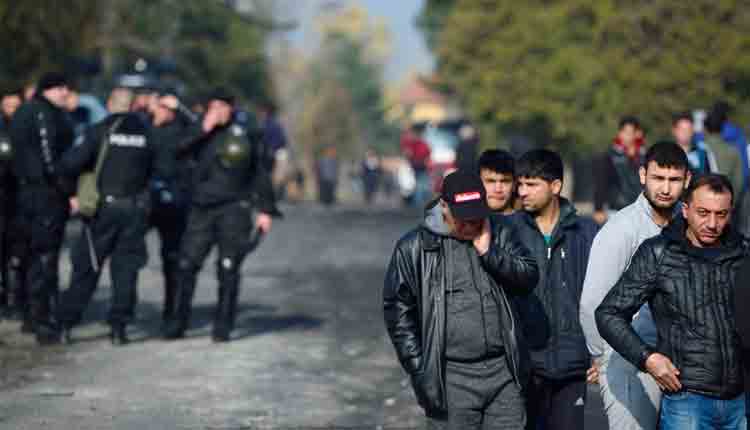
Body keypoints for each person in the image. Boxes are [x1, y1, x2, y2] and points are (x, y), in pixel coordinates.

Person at [383, 170, 539, 429]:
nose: (470, 226)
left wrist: (490, 252)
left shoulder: (499, 233)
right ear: (444, 206)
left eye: (477, 218)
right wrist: (420, 368)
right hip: (451, 380)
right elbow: (398, 312)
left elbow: (529, 277)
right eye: (463, 219)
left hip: (504, 375)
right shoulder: (414, 247)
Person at [596, 174, 748, 430]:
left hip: (741, 401)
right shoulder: (659, 253)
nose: (712, 223)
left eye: (721, 214)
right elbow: (609, 313)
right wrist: (648, 358)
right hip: (687, 402)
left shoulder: (743, 254)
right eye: (703, 212)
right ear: (686, 210)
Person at [580, 142, 691, 430]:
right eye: (658, 178)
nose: (665, 188)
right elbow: (593, 301)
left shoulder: (690, 224)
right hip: (629, 360)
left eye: (674, 180)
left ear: (687, 180)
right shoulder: (621, 229)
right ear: (643, 175)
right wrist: (600, 356)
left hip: (681, 360)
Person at [162, 89, 279, 342]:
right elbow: (176, 151)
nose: (219, 113)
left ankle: (223, 326)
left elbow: (259, 172)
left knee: (228, 267)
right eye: (214, 107)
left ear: (232, 109)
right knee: (186, 265)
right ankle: (177, 322)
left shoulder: (246, 133)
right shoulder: (199, 131)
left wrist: (266, 210)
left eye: (223, 107)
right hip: (201, 208)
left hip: (234, 208)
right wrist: (203, 128)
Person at [55, 87, 156, 345]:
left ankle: (66, 323)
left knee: (87, 267)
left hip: (102, 211)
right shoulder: (147, 133)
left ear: (110, 104)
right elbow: (159, 168)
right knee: (126, 271)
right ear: (133, 105)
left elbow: (69, 164)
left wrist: (72, 193)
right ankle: (119, 328)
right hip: (134, 209)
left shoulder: (99, 130)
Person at [506, 149, 598, 429]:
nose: (522, 192)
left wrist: (600, 351)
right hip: (524, 367)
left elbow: (602, 295)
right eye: (520, 184)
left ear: (556, 186)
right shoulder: (508, 231)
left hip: (572, 365)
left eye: (531, 184)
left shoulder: (586, 232)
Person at [9, 72, 75, 344]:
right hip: (45, 194)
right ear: (50, 90)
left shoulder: (24, 111)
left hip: (25, 193)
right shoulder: (44, 114)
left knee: (29, 254)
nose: (65, 93)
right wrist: (66, 191)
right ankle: (44, 321)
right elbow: (49, 157)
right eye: (61, 88)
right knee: (45, 257)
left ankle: (29, 314)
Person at [147, 92, 195, 323]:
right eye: (159, 106)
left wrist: (181, 108)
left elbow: (203, 129)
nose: (162, 111)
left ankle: (172, 311)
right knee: (126, 255)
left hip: (175, 202)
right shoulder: (145, 128)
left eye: (167, 108)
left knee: (173, 259)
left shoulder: (180, 130)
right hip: (146, 201)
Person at [593, 116, 647, 224]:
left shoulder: (644, 156)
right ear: (620, 133)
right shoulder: (610, 156)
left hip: (640, 211)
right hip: (616, 210)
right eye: (625, 132)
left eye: (631, 132)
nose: (627, 136)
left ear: (638, 134)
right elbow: (601, 183)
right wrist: (598, 208)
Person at [0, 89, 21, 318]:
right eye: (8, 106)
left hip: (19, 199)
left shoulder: (25, 131)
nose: (12, 112)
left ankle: (16, 297)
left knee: (18, 252)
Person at [702, 112, 744, 195]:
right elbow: (739, 182)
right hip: (726, 199)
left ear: (704, 129)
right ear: (722, 129)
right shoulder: (733, 151)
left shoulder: (698, 149)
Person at [478, 149, 516, 215]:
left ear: (514, 185)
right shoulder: (461, 222)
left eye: (505, 181)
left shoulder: (529, 223)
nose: (498, 190)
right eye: (490, 181)